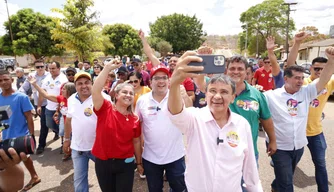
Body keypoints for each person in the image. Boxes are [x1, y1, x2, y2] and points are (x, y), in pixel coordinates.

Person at [167, 51, 262, 192]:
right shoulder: (194, 118)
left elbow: (250, 171)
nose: (217, 96)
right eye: (212, 91)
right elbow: (176, 113)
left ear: (233, 97)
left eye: (224, 92)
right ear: (206, 94)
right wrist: (175, 83)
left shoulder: (242, 124)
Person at [264, 46, 334, 192]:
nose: (301, 81)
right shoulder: (270, 96)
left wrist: (331, 60)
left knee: (286, 176)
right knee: (287, 183)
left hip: (298, 147)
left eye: (302, 78)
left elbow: (324, 78)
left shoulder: (306, 92)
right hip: (280, 148)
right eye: (297, 78)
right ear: (286, 79)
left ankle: (276, 187)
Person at [288, 37, 334, 192]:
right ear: (311, 69)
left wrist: (332, 59)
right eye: (316, 68)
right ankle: (278, 185)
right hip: (297, 132)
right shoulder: (303, 82)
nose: (319, 71)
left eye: (323, 68)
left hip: (316, 132)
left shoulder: (329, 82)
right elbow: (291, 64)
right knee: (289, 165)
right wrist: (297, 44)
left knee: (320, 164)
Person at [91, 61, 143, 192]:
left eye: (131, 93)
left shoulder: (135, 119)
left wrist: (139, 162)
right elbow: (95, 90)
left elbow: (136, 142)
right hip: (103, 163)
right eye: (125, 92)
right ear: (116, 95)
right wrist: (107, 68)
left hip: (125, 164)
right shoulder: (105, 109)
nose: (128, 95)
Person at [135, 65, 188, 192]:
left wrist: (185, 95)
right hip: (151, 157)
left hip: (175, 156)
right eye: (157, 78)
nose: (161, 81)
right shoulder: (142, 101)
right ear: (150, 81)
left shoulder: (176, 97)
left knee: (179, 189)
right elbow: (138, 127)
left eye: (164, 77)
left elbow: (189, 113)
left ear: (169, 81)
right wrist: (139, 157)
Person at [62, 72, 110, 192]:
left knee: (106, 179)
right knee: (79, 182)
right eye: (80, 84)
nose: (84, 86)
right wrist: (66, 140)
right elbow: (68, 120)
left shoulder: (103, 97)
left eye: (87, 83)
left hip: (98, 148)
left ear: (92, 84)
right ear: (75, 86)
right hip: (78, 148)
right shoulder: (72, 99)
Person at [0, 70, 41, 191]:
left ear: (12, 80)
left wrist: (32, 136)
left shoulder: (21, 97)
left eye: (6, 79)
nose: (3, 82)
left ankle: (31, 178)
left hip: (21, 136)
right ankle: (34, 176)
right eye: (0, 80)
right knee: (23, 158)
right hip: (6, 136)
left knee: (18, 159)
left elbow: (29, 117)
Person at [29, 77, 76, 161]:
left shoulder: (76, 100)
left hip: (75, 126)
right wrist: (35, 84)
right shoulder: (61, 98)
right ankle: (68, 151)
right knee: (63, 134)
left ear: (70, 91)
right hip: (66, 123)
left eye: (64, 89)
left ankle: (71, 153)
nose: (61, 91)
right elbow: (45, 95)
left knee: (73, 141)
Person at [19, 59, 49, 154]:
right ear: (34, 67)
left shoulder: (49, 76)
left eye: (41, 66)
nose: (40, 68)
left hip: (48, 104)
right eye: (37, 67)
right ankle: (55, 132)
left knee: (44, 124)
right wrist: (23, 97)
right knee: (45, 122)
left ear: (45, 66)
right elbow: (23, 88)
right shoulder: (31, 76)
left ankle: (41, 145)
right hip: (37, 104)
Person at [38, 61, 68, 152]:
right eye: (50, 68)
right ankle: (58, 133)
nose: (51, 70)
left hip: (60, 108)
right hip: (48, 107)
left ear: (59, 68)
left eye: (53, 68)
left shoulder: (64, 79)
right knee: (49, 124)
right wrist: (39, 105)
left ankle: (64, 145)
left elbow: (64, 96)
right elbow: (42, 92)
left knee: (63, 128)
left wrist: (58, 109)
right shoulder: (47, 78)